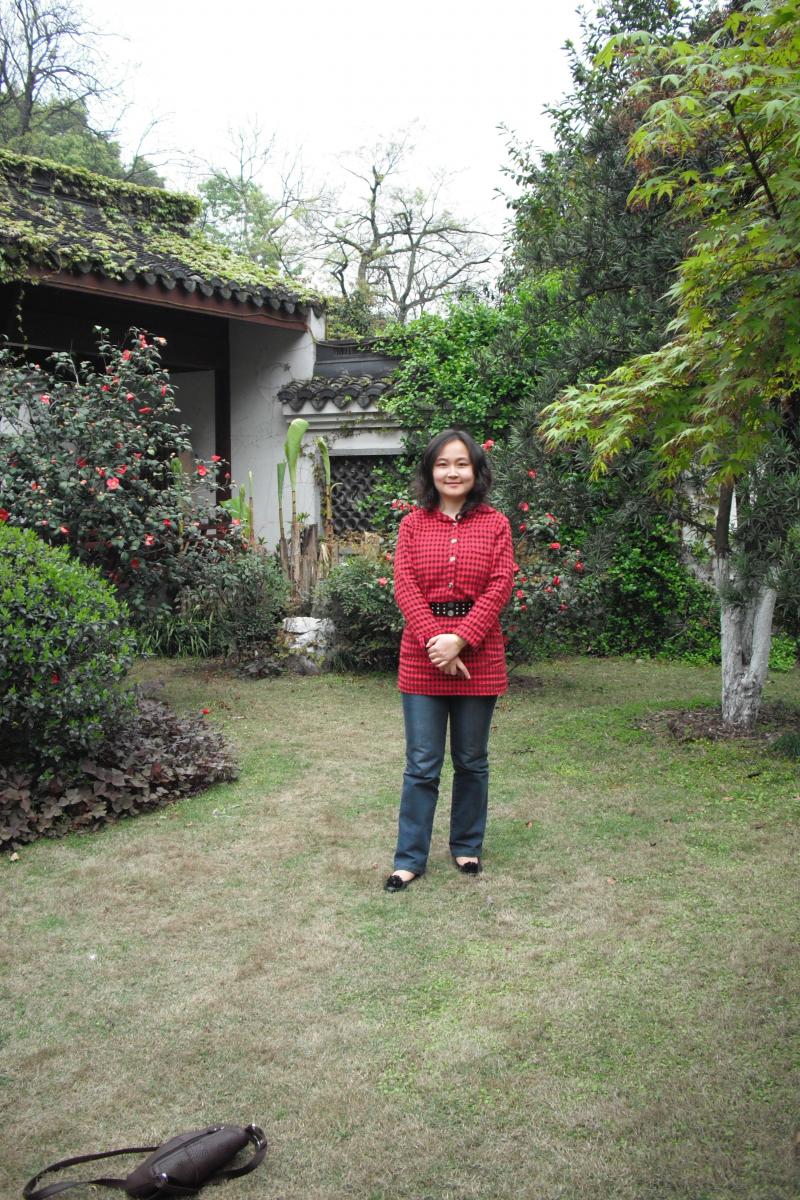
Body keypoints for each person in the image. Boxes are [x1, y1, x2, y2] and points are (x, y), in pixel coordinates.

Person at [384, 429, 515, 892]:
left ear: (476, 470)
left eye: (461, 463)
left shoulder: (496, 524)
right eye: (443, 464)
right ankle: (409, 858)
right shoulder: (412, 525)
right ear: (430, 471)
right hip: (422, 657)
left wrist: (459, 640)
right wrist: (437, 642)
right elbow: (404, 585)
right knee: (422, 763)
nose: (452, 472)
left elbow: (500, 584)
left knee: (472, 759)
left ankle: (466, 845)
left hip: (479, 654)